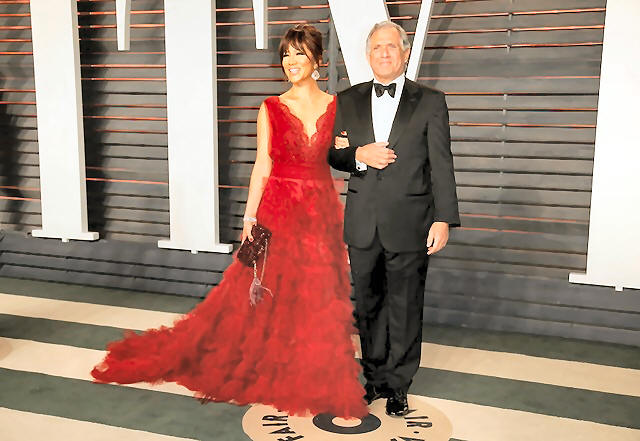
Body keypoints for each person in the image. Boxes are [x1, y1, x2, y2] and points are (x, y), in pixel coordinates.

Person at [91, 24, 368, 419]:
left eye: (299, 54)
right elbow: (262, 165)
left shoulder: (339, 107)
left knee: (316, 291)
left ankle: (311, 366)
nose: (291, 62)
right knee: (268, 289)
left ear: (318, 60)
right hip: (277, 210)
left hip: (320, 212)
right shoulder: (270, 107)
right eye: (286, 55)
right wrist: (250, 216)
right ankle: (269, 362)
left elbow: (344, 158)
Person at [328, 21, 460, 417]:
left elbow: (441, 163)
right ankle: (374, 380)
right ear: (367, 56)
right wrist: (358, 156)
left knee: (405, 307)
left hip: (412, 221)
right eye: (376, 48)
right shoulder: (347, 100)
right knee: (368, 307)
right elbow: (333, 154)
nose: (383, 53)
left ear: (404, 53)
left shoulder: (431, 101)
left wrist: (443, 218)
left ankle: (399, 385)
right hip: (363, 223)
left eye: (391, 47)